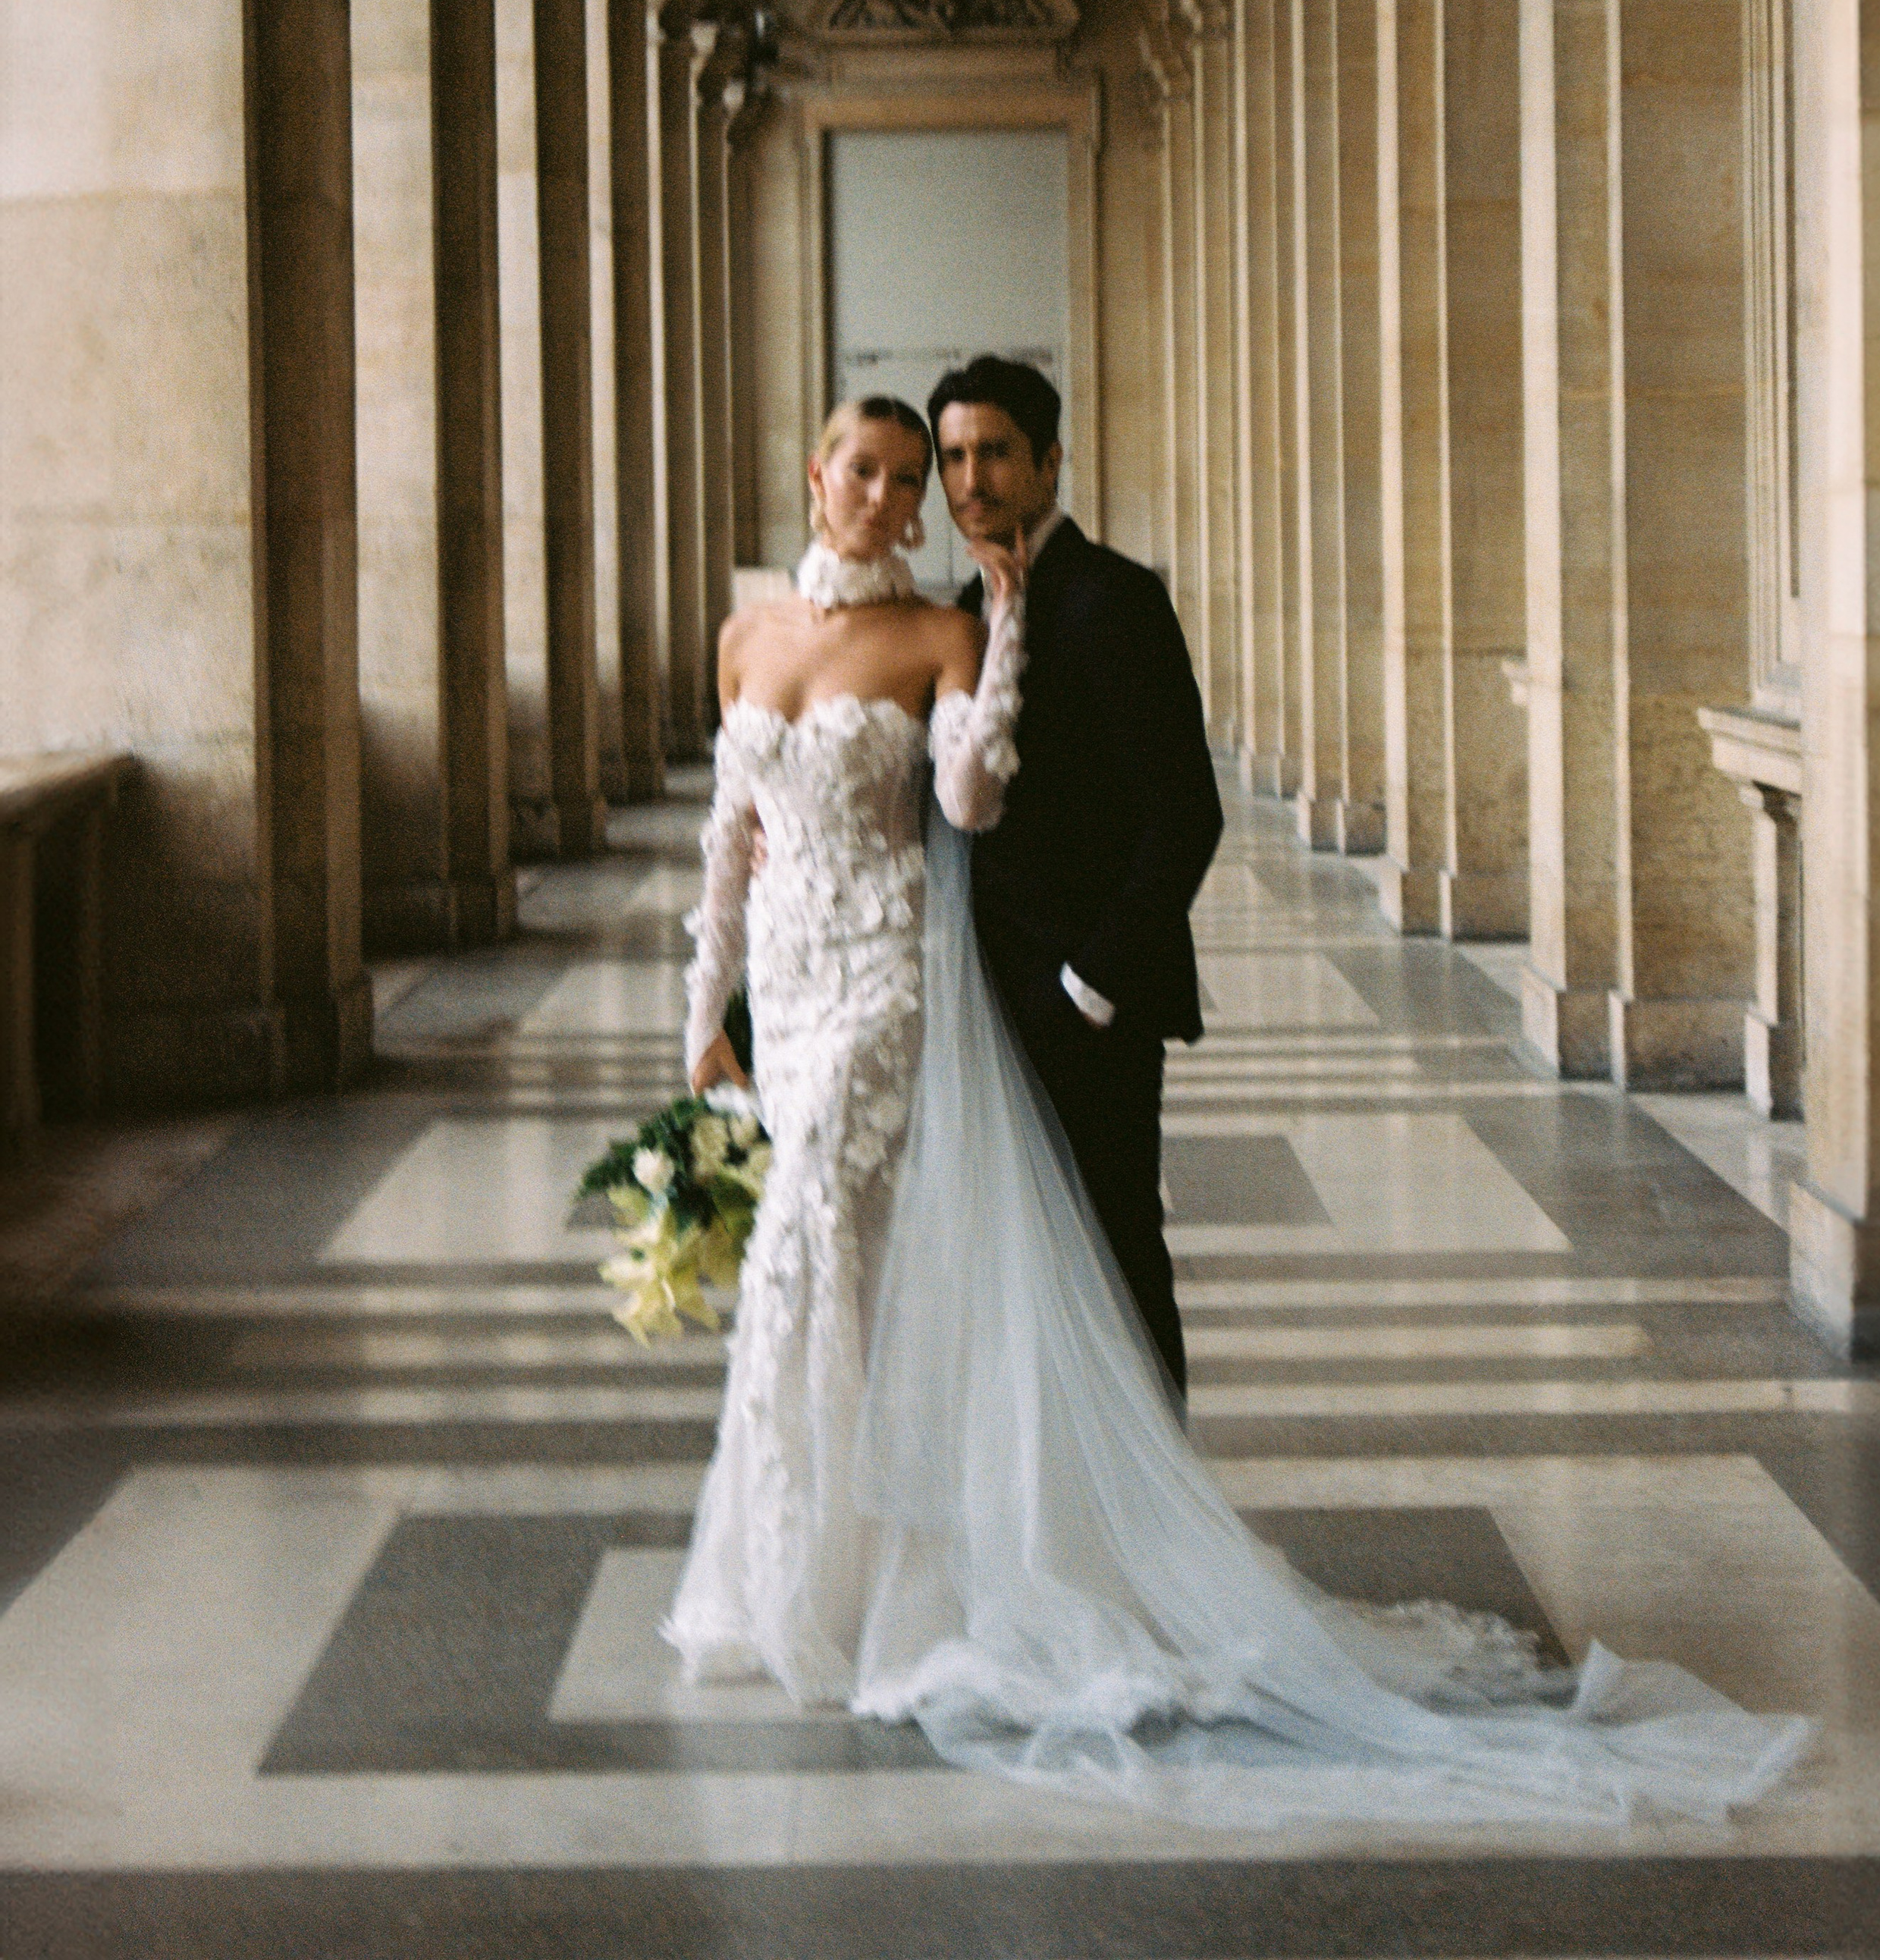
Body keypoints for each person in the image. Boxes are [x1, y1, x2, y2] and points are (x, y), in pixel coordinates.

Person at [661, 394, 1809, 1828]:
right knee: (893, 1275)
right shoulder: (782, 631)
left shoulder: (1026, 612)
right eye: (900, 468)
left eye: (960, 461)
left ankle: (1129, 1535)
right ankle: (839, 1558)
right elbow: (744, 838)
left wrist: (1083, 945)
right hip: (872, 986)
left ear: (1046, 462)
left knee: (1060, 1251)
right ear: (819, 476)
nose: (928, 488)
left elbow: (1030, 803)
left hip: (983, 995)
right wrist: (708, 1013)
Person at [927, 356, 1220, 1396]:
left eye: (996, 451)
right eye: (954, 455)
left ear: (1050, 460)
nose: (973, 478)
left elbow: (1186, 814)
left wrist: (1089, 987)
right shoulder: (965, 606)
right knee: (1022, 1263)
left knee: (1118, 1251)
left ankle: (1158, 1516)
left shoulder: (1115, 598)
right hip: (991, 1003)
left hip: (1086, 1006)